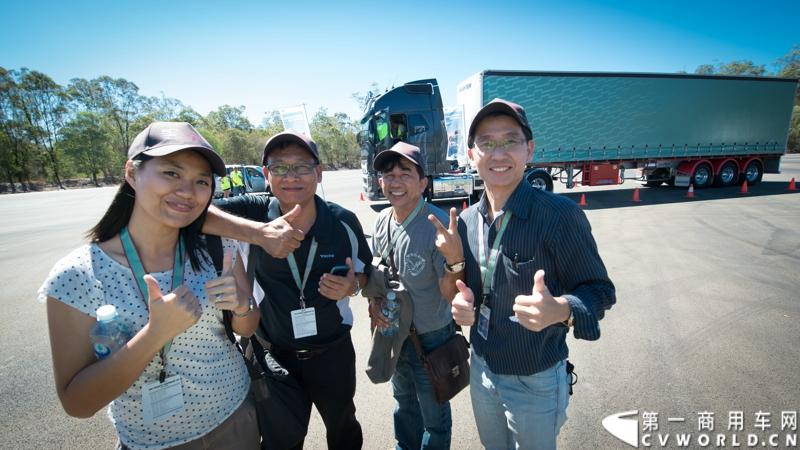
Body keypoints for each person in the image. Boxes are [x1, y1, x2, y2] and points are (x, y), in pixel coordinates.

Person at [39, 122, 262, 450]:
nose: (187, 191)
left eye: (202, 181)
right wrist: (155, 334)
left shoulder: (220, 249)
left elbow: (249, 325)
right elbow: (78, 404)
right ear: (132, 173)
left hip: (235, 417)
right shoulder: (77, 276)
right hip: (151, 441)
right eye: (171, 173)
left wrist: (242, 305)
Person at [449, 99, 616, 449]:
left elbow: (599, 290)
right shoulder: (466, 221)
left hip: (534, 378)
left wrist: (562, 309)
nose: (498, 153)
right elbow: (474, 289)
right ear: (471, 154)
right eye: (487, 143)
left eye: (510, 140)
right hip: (481, 368)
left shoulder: (559, 216)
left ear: (530, 149)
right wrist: (462, 302)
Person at [202, 130, 372, 450]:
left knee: (343, 429)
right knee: (282, 440)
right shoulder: (253, 211)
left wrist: (352, 286)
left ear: (319, 173)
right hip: (274, 356)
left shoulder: (343, 221)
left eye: (302, 167)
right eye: (279, 167)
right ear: (266, 175)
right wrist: (259, 233)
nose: (290, 177)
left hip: (332, 353)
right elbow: (193, 214)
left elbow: (366, 275)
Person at [368, 142, 464, 450]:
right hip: (394, 334)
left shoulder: (437, 226)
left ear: (423, 183)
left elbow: (451, 294)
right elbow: (377, 275)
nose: (395, 181)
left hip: (431, 337)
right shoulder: (381, 220)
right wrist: (374, 303)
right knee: (403, 404)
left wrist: (454, 262)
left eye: (405, 173)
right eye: (388, 174)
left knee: (434, 414)